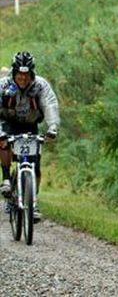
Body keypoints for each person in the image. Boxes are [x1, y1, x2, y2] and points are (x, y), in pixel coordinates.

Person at [0, 51, 60, 221]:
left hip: (30, 124)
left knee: (35, 165)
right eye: (19, 74)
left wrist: (53, 127)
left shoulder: (40, 85)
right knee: (3, 142)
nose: (23, 78)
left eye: (26, 75)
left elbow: (50, 104)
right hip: (7, 122)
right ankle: (5, 177)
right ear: (14, 72)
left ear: (31, 72)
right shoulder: (3, 85)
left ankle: (33, 203)